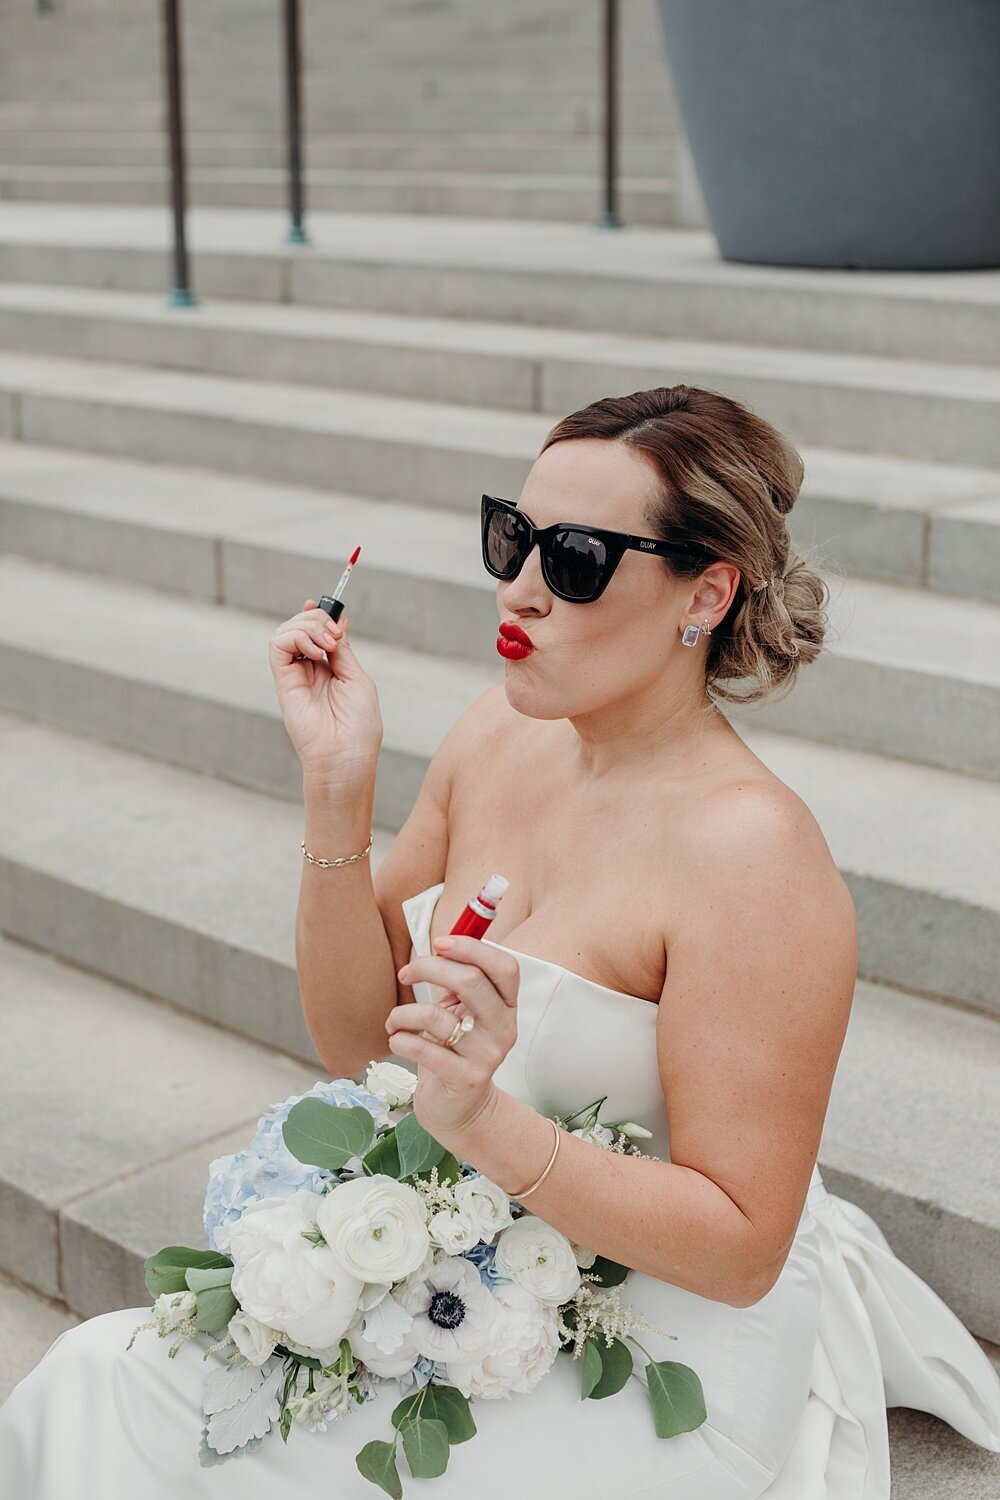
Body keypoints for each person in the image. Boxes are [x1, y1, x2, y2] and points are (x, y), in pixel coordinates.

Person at [1, 385, 998, 1498]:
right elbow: (352, 1039)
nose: (521, 587)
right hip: (452, 1273)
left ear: (704, 593)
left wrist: (483, 1124)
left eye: (574, 559)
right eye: (511, 538)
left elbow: (743, 1246)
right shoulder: (497, 734)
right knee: (96, 1380)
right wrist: (338, 788)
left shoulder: (748, 855)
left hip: (651, 1344)